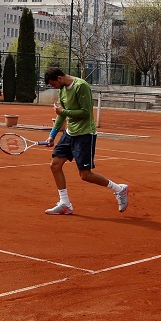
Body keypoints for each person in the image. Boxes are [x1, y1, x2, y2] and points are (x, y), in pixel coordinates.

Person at [43, 67, 128, 215]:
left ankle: (119, 189)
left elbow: (85, 112)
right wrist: (52, 134)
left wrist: (63, 111)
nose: (54, 87)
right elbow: (61, 115)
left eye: (53, 84)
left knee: (85, 175)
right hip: (70, 133)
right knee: (55, 165)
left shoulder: (81, 86)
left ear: (59, 78)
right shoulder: (62, 90)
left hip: (85, 134)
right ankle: (65, 204)